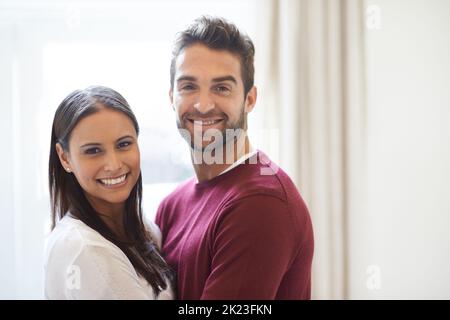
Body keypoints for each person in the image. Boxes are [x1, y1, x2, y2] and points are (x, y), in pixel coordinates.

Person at [155, 16, 314, 300]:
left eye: (221, 88)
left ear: (250, 99)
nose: (203, 105)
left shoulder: (261, 203)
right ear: (172, 96)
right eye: (189, 86)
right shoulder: (171, 207)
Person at [45, 85, 174, 299]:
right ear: (64, 157)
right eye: (93, 151)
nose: (113, 165)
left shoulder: (142, 227)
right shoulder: (86, 250)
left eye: (123, 144)